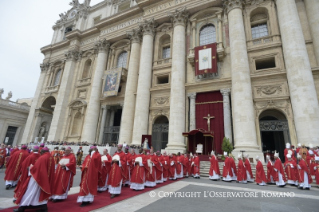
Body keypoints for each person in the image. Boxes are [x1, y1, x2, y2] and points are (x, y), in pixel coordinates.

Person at [14, 147, 55, 212]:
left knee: (29, 192)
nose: (40, 153)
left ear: (42, 152)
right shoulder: (51, 157)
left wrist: (30, 168)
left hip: (37, 179)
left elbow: (37, 170)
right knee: (40, 193)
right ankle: (43, 208)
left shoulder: (42, 158)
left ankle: (22, 208)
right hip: (45, 180)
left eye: (40, 152)